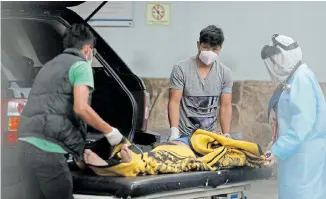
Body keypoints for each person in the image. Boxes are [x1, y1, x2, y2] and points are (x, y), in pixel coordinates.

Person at [17, 24, 124, 199]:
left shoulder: (48, 66)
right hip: (48, 151)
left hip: (24, 145)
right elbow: (81, 108)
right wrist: (110, 131)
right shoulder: (81, 66)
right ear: (88, 48)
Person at [261, 34, 326, 199]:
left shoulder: (302, 80)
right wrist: (276, 143)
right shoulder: (294, 79)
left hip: (304, 158)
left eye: (276, 61)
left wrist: (277, 150)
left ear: (286, 57)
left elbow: (301, 125)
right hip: (295, 157)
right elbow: (287, 119)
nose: (274, 66)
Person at [168, 25, 233, 142]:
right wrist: (174, 131)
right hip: (184, 135)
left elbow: (225, 106)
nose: (209, 53)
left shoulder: (225, 73)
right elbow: (174, 101)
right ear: (198, 45)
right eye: (205, 47)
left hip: (210, 136)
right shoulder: (181, 69)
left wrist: (226, 134)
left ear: (220, 49)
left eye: (215, 49)